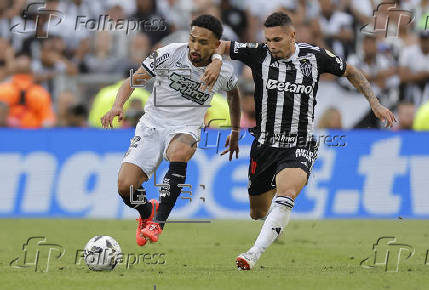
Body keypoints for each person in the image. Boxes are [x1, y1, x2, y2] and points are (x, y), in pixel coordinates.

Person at [203, 12, 396, 270]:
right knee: (258, 212)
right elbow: (221, 45)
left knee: (287, 192)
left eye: (277, 40)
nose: (272, 45)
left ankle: (252, 254)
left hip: (299, 143)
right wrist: (216, 60)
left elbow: (351, 72)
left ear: (292, 36)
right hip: (264, 146)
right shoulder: (258, 53)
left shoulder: (315, 57)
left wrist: (375, 102)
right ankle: (275, 221)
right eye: (268, 39)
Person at [101, 14, 241, 246]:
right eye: (193, 39)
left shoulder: (223, 72)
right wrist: (117, 105)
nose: (195, 46)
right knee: (125, 187)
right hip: (151, 124)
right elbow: (134, 80)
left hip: (186, 127)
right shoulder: (169, 53)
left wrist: (235, 130)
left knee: (179, 153)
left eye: (203, 42)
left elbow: (234, 96)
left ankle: (158, 222)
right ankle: (147, 211)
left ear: (217, 45)